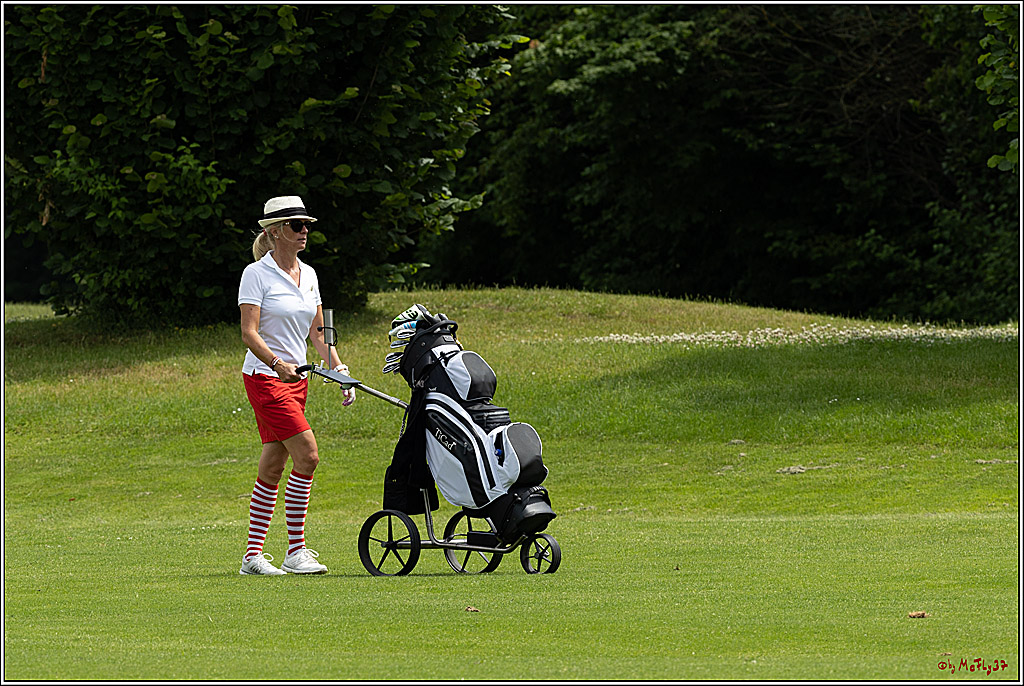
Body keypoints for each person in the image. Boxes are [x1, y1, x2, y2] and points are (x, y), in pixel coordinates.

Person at [237, 195, 355, 575]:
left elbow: (319, 332)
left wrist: (338, 368)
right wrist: (276, 363)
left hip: (297, 380)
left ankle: (252, 557)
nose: (305, 231)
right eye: (296, 225)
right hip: (265, 377)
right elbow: (248, 332)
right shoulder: (255, 274)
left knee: (274, 464)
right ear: (274, 232)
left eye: (307, 225)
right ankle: (296, 550)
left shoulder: (310, 274)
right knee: (308, 455)